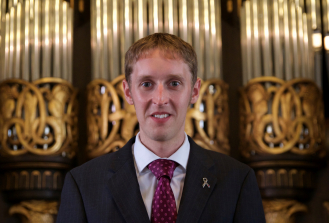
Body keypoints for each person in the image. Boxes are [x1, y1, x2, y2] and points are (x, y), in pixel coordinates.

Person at [56, 33, 266, 223]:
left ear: (194, 91)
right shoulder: (82, 184)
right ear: (128, 92)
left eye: (174, 83)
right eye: (146, 84)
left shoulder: (238, 181)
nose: (160, 99)